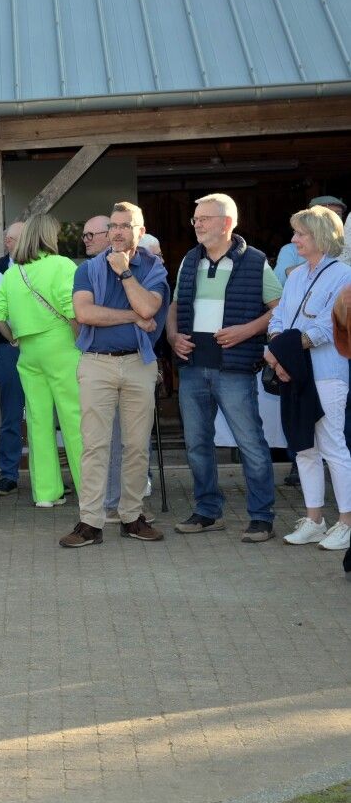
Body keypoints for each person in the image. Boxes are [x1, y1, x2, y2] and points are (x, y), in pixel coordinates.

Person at [166, 194, 281, 541]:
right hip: (192, 366)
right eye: (195, 219)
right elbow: (174, 307)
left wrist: (247, 331)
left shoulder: (256, 261)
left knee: (250, 443)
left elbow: (280, 308)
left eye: (205, 218)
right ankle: (207, 511)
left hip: (234, 367)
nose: (197, 224)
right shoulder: (189, 260)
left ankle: (261, 517)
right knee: (196, 445)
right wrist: (172, 337)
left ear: (227, 223)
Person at [60, 202, 168, 549]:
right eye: (114, 226)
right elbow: (85, 313)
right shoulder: (88, 269)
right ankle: (90, 523)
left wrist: (124, 273)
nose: (117, 232)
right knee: (94, 446)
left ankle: (132, 517)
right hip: (96, 363)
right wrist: (133, 317)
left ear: (141, 231)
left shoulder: (153, 267)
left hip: (139, 363)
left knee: (136, 446)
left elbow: (149, 307)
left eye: (125, 226)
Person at [266, 206, 351, 550]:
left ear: (320, 236)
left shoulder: (344, 275)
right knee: (304, 446)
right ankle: (314, 520)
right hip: (292, 370)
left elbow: (329, 328)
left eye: (300, 233)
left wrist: (281, 351)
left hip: (327, 372)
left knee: (332, 446)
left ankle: (347, 523)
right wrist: (278, 351)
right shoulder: (297, 275)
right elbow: (278, 318)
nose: (294, 239)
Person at [0, 214, 84, 509]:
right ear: (48, 236)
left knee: (37, 422)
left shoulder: (13, 273)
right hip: (63, 348)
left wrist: (14, 339)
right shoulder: (62, 265)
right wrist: (80, 341)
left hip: (28, 352)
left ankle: (45, 493)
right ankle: (89, 490)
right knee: (74, 420)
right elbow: (72, 310)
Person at [0, 221, 27, 496]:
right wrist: (13, 337)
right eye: (12, 239)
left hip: (37, 346)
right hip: (10, 348)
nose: (12, 243)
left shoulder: (41, 267)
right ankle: (8, 474)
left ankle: (50, 475)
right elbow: (0, 313)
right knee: (11, 412)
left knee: (44, 413)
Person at [273, 195, 346, 281]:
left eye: (338, 214)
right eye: (326, 214)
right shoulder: (290, 250)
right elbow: (278, 281)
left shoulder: (347, 246)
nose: (333, 219)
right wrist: (315, 260)